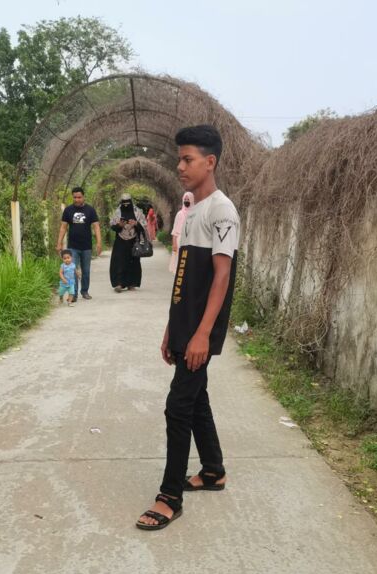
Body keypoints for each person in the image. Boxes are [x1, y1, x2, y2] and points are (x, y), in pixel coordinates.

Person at [136, 124, 240, 531]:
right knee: (196, 400)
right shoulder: (191, 210)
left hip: (201, 330)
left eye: (187, 159)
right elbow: (183, 276)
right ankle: (213, 470)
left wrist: (201, 334)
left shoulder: (222, 211)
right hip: (184, 324)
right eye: (179, 159)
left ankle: (169, 497)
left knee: (177, 406)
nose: (180, 166)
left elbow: (221, 277)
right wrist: (171, 327)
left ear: (210, 162)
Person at [56, 187, 102, 301]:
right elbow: (63, 227)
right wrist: (59, 243)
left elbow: (96, 226)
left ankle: (85, 291)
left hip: (86, 246)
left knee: (86, 271)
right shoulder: (68, 210)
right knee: (72, 270)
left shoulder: (90, 210)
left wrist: (99, 243)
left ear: (83, 197)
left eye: (79, 197)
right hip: (73, 246)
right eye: (75, 197)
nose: (77, 199)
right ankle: (74, 294)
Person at [109, 194, 149, 293]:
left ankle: (131, 284)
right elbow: (112, 226)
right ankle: (119, 284)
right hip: (120, 240)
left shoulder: (138, 212)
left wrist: (136, 224)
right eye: (124, 202)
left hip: (133, 241)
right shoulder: (117, 212)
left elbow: (144, 226)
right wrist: (119, 225)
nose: (126, 204)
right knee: (118, 262)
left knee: (133, 262)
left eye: (128, 202)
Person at [169, 191, 194, 273]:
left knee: (189, 262)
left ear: (192, 200)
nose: (186, 201)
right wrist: (174, 243)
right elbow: (175, 230)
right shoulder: (179, 214)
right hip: (180, 240)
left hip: (192, 241)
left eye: (188, 199)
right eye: (185, 199)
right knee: (180, 261)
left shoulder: (195, 213)